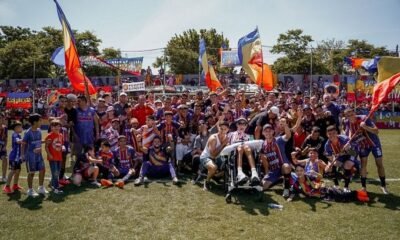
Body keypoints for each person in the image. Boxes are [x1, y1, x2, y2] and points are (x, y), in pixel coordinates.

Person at [343, 108, 388, 194]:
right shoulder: (347, 122)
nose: (350, 116)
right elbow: (348, 134)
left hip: (374, 144)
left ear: (354, 113)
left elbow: (376, 131)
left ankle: (383, 186)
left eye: (351, 114)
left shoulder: (364, 118)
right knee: (363, 165)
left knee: (379, 164)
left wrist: (365, 127)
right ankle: (364, 187)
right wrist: (347, 142)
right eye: (348, 115)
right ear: (346, 117)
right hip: (363, 146)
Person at [260, 119, 292, 198]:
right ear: (263, 133)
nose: (268, 132)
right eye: (265, 131)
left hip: (282, 167)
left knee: (286, 166)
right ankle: (279, 180)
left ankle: (286, 188)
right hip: (273, 170)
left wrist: (285, 126)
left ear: (273, 131)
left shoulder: (278, 140)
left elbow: (288, 135)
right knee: (262, 187)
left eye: (269, 130)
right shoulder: (263, 144)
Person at [324, 125, 357, 192]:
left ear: (337, 133)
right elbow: (330, 158)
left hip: (350, 154)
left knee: (347, 165)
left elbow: (353, 153)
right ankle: (336, 185)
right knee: (331, 166)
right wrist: (329, 165)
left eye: (333, 133)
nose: (332, 135)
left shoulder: (345, 139)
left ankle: (346, 187)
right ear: (327, 135)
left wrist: (346, 150)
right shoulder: (327, 145)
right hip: (340, 157)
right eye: (329, 134)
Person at [21, 114, 48, 197]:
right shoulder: (28, 132)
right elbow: (23, 144)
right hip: (30, 156)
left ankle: (41, 187)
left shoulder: (39, 130)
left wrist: (45, 141)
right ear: (35, 122)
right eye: (40, 120)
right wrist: (22, 155)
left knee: (42, 170)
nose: (42, 122)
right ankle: (30, 189)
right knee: (31, 173)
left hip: (39, 155)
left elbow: (38, 141)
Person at [229, 117, 260, 185]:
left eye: (244, 124)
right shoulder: (231, 134)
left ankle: (254, 172)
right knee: (240, 148)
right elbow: (228, 145)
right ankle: (240, 172)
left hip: (247, 153)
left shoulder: (250, 136)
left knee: (246, 147)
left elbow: (254, 147)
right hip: (235, 154)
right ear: (237, 125)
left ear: (246, 126)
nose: (242, 125)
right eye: (240, 123)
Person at [200, 121, 230, 191]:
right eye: (221, 129)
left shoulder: (226, 137)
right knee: (214, 167)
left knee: (228, 166)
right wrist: (223, 144)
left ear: (228, 130)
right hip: (206, 157)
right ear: (218, 128)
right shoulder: (213, 138)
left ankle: (215, 176)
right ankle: (207, 181)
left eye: (225, 129)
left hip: (217, 158)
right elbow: (212, 154)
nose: (222, 131)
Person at [3, 122, 23, 193]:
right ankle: (7, 186)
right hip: (13, 157)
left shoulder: (19, 135)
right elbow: (18, 142)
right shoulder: (15, 135)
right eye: (21, 127)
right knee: (13, 171)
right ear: (16, 128)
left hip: (17, 158)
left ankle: (15, 185)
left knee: (18, 171)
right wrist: (26, 139)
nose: (22, 128)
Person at [45, 120, 65, 194]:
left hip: (59, 157)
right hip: (52, 158)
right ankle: (56, 188)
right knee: (55, 173)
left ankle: (52, 184)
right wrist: (49, 154)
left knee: (57, 172)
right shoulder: (49, 136)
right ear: (51, 127)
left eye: (58, 126)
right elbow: (46, 147)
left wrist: (63, 147)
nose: (56, 127)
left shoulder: (60, 135)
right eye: (54, 126)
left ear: (60, 127)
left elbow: (60, 144)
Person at [0, 113, 8, 182]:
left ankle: (4, 177)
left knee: (5, 159)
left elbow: (6, 138)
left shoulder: (5, 128)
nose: (1, 119)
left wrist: (5, 146)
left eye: (2, 118)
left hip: (2, 147)